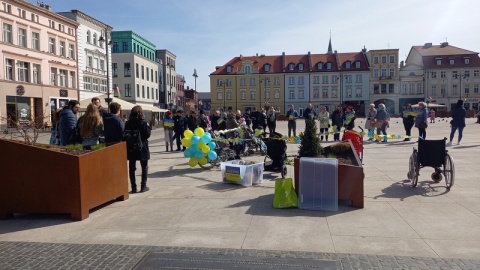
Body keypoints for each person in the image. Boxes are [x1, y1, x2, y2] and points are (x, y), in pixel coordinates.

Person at [125, 105, 151, 193]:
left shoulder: (128, 123)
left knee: (132, 168)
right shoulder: (143, 122)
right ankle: (143, 186)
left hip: (131, 147)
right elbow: (147, 135)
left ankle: (133, 187)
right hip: (142, 146)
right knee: (144, 167)